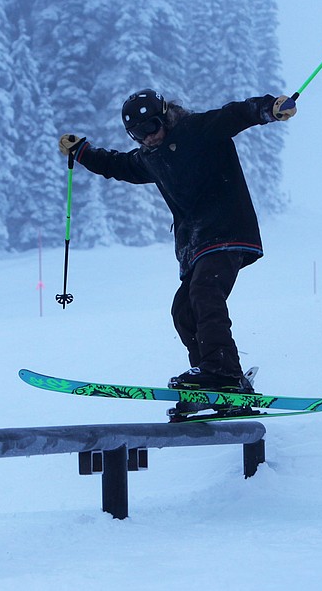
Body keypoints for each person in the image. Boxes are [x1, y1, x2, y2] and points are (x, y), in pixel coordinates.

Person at [58, 89, 296, 394]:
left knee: (205, 292)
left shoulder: (195, 130)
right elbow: (118, 166)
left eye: (151, 127)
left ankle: (222, 371)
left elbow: (235, 114)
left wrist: (269, 108)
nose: (148, 138)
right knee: (183, 310)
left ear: (165, 117)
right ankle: (209, 378)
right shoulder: (149, 158)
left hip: (226, 229)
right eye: (137, 134)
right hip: (196, 244)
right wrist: (82, 152)